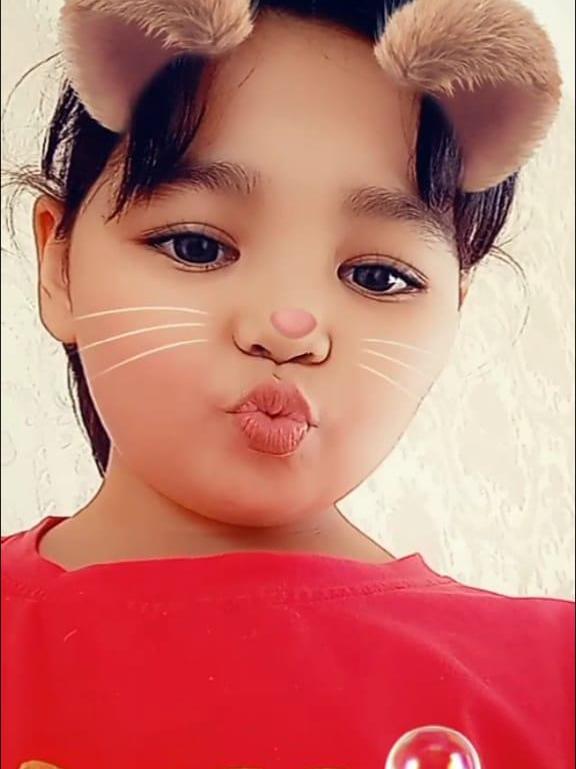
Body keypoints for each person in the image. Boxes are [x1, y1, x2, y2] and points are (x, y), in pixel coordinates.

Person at [1, 0, 573, 767]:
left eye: (379, 276)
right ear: (59, 268)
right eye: (196, 246)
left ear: (455, 311)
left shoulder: (553, 679)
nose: (288, 326)